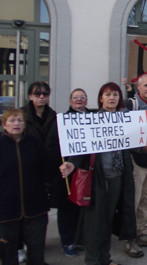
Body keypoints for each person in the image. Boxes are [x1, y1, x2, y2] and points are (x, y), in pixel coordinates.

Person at [59, 82, 138, 265]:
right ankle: (93, 260)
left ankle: (105, 257)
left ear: (120, 98)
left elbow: (136, 142)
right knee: (95, 222)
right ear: (101, 98)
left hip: (118, 176)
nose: (112, 98)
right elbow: (82, 149)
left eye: (115, 95)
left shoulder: (125, 119)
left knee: (108, 218)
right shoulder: (92, 119)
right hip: (98, 178)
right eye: (108, 94)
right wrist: (71, 164)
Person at [0, 109, 51, 265]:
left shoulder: (34, 143)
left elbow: (47, 167)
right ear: (4, 125)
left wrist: (46, 188)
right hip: (6, 211)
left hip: (35, 208)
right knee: (8, 254)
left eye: (20, 120)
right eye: (12, 121)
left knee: (36, 253)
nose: (16, 124)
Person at [45, 88, 92, 257]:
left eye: (82, 97)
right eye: (75, 97)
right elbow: (51, 146)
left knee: (84, 207)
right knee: (67, 208)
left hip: (88, 171)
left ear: (87, 101)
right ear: (70, 101)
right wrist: (63, 164)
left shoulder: (94, 118)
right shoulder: (61, 120)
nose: (79, 100)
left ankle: (79, 239)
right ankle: (67, 241)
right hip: (67, 172)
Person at [123, 74, 147, 255]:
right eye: (146, 85)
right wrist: (140, 148)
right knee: (134, 201)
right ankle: (130, 239)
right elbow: (124, 133)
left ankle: (143, 233)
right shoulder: (129, 105)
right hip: (136, 160)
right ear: (138, 87)